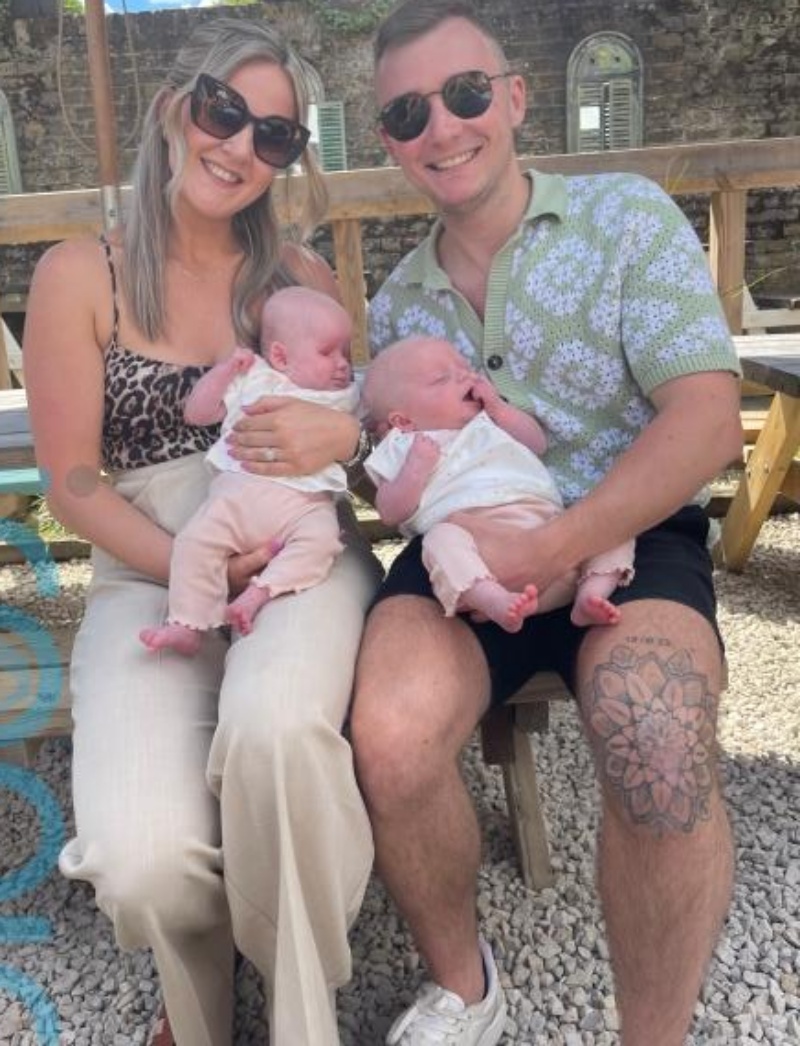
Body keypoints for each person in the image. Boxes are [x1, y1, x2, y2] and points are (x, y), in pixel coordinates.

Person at [350, 3, 743, 1044]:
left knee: (656, 737)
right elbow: (383, 472)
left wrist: (558, 545)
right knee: (386, 734)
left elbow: (707, 420)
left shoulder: (626, 218)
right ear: (386, 138)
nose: (442, 126)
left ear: (515, 98)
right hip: (465, 541)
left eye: (464, 93)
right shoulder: (397, 306)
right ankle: (465, 985)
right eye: (407, 112)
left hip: (627, 530)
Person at [24, 17, 381, 1046]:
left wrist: (351, 429)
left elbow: (366, 435)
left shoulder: (298, 280)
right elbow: (73, 482)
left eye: (274, 135)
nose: (239, 145)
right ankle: (207, 976)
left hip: (300, 558)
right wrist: (198, 570)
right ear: (174, 107)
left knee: (276, 736)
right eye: (225, 110)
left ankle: (299, 1011)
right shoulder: (81, 276)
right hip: (151, 568)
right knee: (140, 859)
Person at [362, 335, 634, 632]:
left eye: (465, 367)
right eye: (442, 378)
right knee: (439, 540)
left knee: (610, 522)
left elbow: (537, 443)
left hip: (550, 529)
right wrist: (414, 469)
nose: (465, 376)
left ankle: (591, 593)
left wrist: (498, 408)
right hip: (475, 542)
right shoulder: (403, 445)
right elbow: (390, 511)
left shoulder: (490, 419)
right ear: (403, 421)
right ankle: (492, 599)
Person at [140, 286, 359, 654]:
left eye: (346, 352)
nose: (342, 364)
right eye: (327, 352)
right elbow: (198, 413)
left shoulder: (346, 395)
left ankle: (259, 594)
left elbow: (370, 433)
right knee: (193, 543)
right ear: (280, 356)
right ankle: (186, 623)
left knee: (324, 540)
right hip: (235, 499)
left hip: (304, 507)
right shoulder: (254, 377)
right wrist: (224, 372)